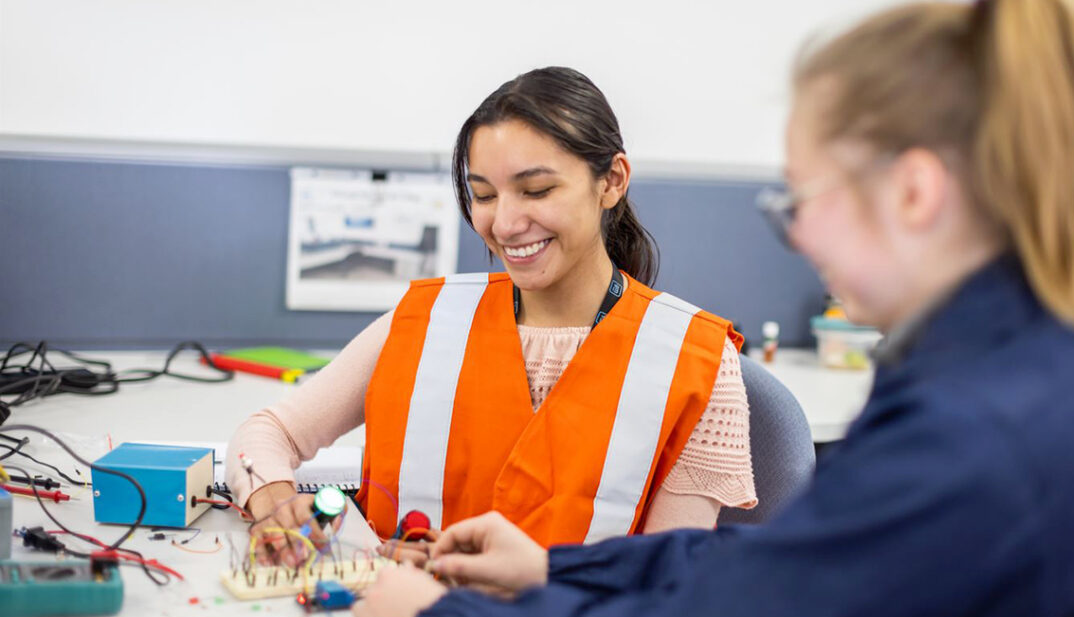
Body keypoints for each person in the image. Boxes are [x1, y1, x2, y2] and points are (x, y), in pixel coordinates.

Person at [347, 1, 1074, 617]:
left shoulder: (974, 430)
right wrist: (561, 570)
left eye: (802, 199)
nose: (797, 235)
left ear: (914, 194)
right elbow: (782, 568)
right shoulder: (1016, 367)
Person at [226, 67, 759, 558]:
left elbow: (663, 586)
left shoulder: (698, 363)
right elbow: (266, 436)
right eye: (483, 195)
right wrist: (277, 504)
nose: (504, 224)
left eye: (537, 189)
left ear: (612, 181)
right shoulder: (424, 321)